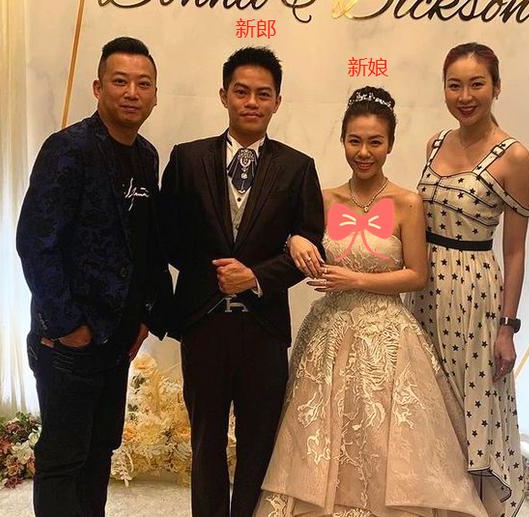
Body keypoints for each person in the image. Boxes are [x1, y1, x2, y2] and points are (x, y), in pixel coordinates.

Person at [254, 86, 488, 517]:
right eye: (355, 141)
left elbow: (417, 275)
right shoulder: (323, 198)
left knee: (384, 435)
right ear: (343, 141)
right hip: (328, 331)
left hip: (387, 335)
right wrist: (296, 240)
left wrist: (355, 279)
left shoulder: (408, 202)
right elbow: (294, 237)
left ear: (390, 144)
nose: (364, 152)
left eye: (375, 142)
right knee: (320, 431)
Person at [159, 47, 325, 517]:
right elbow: (167, 237)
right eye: (242, 92)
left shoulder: (297, 167)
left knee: (259, 443)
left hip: (263, 327)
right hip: (203, 323)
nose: (252, 102)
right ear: (224, 95)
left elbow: (310, 248)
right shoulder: (187, 158)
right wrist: (217, 274)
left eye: (263, 94)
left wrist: (254, 276)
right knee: (205, 440)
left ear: (277, 102)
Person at [16, 37, 172, 517]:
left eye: (143, 84)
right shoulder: (68, 149)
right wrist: (68, 326)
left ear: (155, 94)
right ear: (98, 87)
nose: (132, 93)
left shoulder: (146, 155)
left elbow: (145, 245)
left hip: (117, 338)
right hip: (69, 339)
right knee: (64, 457)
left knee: (100, 450)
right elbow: (35, 242)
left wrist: (147, 315)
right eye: (120, 81)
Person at [405, 42, 529, 516]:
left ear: (496, 88)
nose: (465, 96)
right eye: (454, 85)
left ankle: (477, 508)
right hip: (424, 286)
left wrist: (508, 327)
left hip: (474, 289)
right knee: (429, 398)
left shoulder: (514, 156)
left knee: (472, 401)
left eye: (476, 84)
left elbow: (515, 250)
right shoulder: (435, 143)